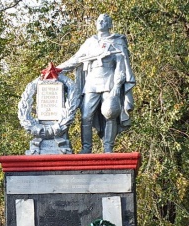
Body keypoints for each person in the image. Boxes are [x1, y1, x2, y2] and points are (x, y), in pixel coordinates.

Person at [57, 13, 136, 153]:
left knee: (110, 113)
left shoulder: (117, 41)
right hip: (92, 83)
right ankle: (86, 148)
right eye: (99, 20)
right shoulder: (90, 43)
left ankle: (108, 147)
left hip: (110, 81)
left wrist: (117, 86)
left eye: (105, 20)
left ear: (110, 25)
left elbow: (121, 66)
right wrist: (57, 69)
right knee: (86, 115)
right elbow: (75, 60)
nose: (101, 22)